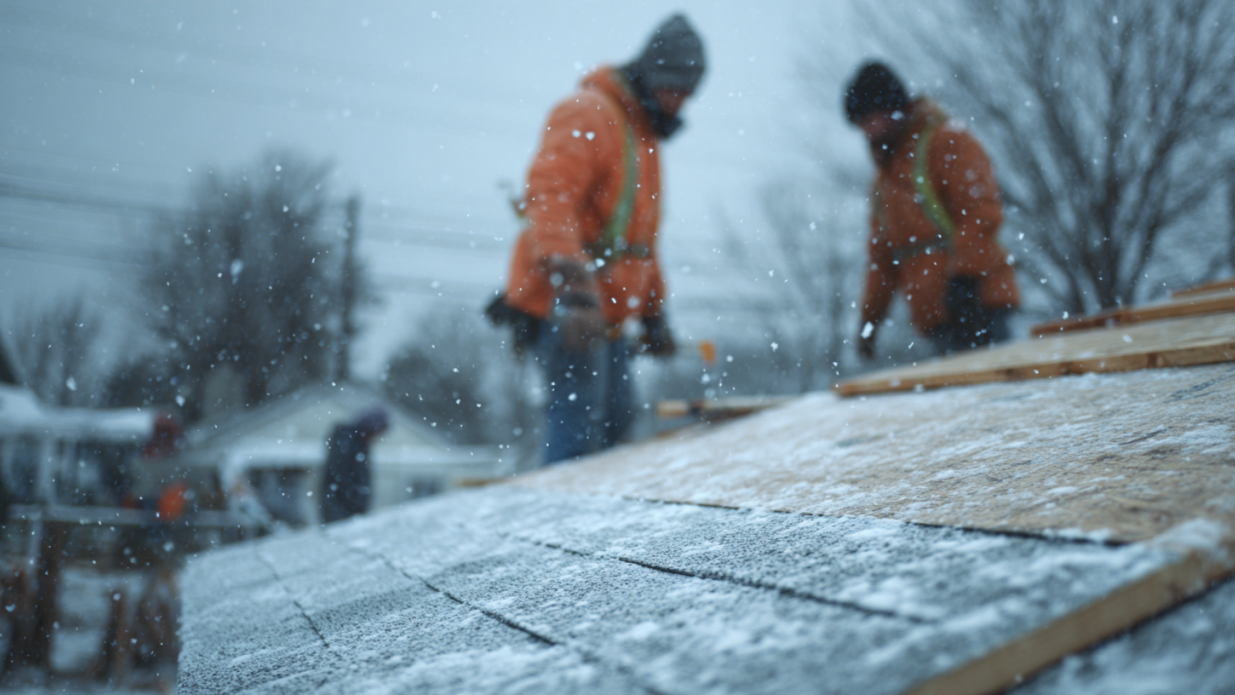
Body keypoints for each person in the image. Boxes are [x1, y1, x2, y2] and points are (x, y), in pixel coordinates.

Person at [496, 14, 706, 464]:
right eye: (672, 89)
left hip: (606, 313)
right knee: (577, 428)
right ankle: (561, 504)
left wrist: (654, 314)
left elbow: (641, 245)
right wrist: (572, 288)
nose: (678, 103)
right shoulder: (588, 112)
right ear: (649, 74)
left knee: (615, 422)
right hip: (567, 305)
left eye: (686, 94)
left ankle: (591, 508)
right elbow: (549, 198)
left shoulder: (643, 138)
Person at [844, 62, 1020, 358]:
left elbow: (982, 213)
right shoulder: (882, 185)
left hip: (980, 301)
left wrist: (965, 280)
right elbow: (882, 261)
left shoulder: (947, 142)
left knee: (997, 381)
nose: (867, 130)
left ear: (894, 108)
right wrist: (870, 321)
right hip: (936, 319)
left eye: (872, 118)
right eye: (861, 122)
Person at [319, 406, 388, 523]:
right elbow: (340, 477)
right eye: (378, 432)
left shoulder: (358, 444)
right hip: (342, 512)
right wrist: (354, 502)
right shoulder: (348, 443)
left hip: (347, 510)